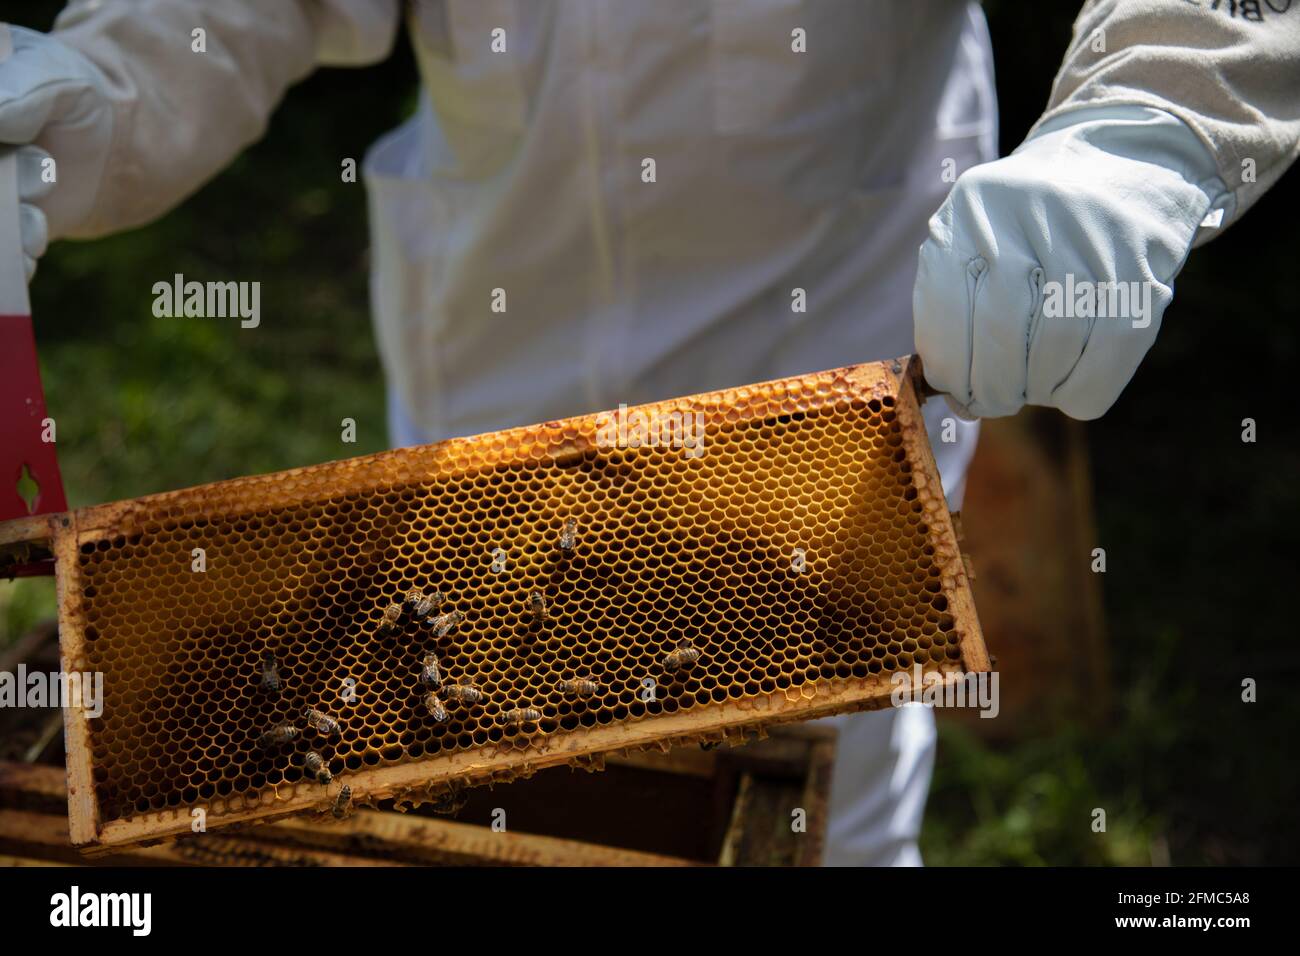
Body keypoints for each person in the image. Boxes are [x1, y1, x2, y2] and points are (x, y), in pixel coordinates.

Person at [1, 0, 1295, 866]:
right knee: (465, 795)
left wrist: (1151, 120)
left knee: (812, 816)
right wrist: (110, 80)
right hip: (486, 413)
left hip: (817, 434)